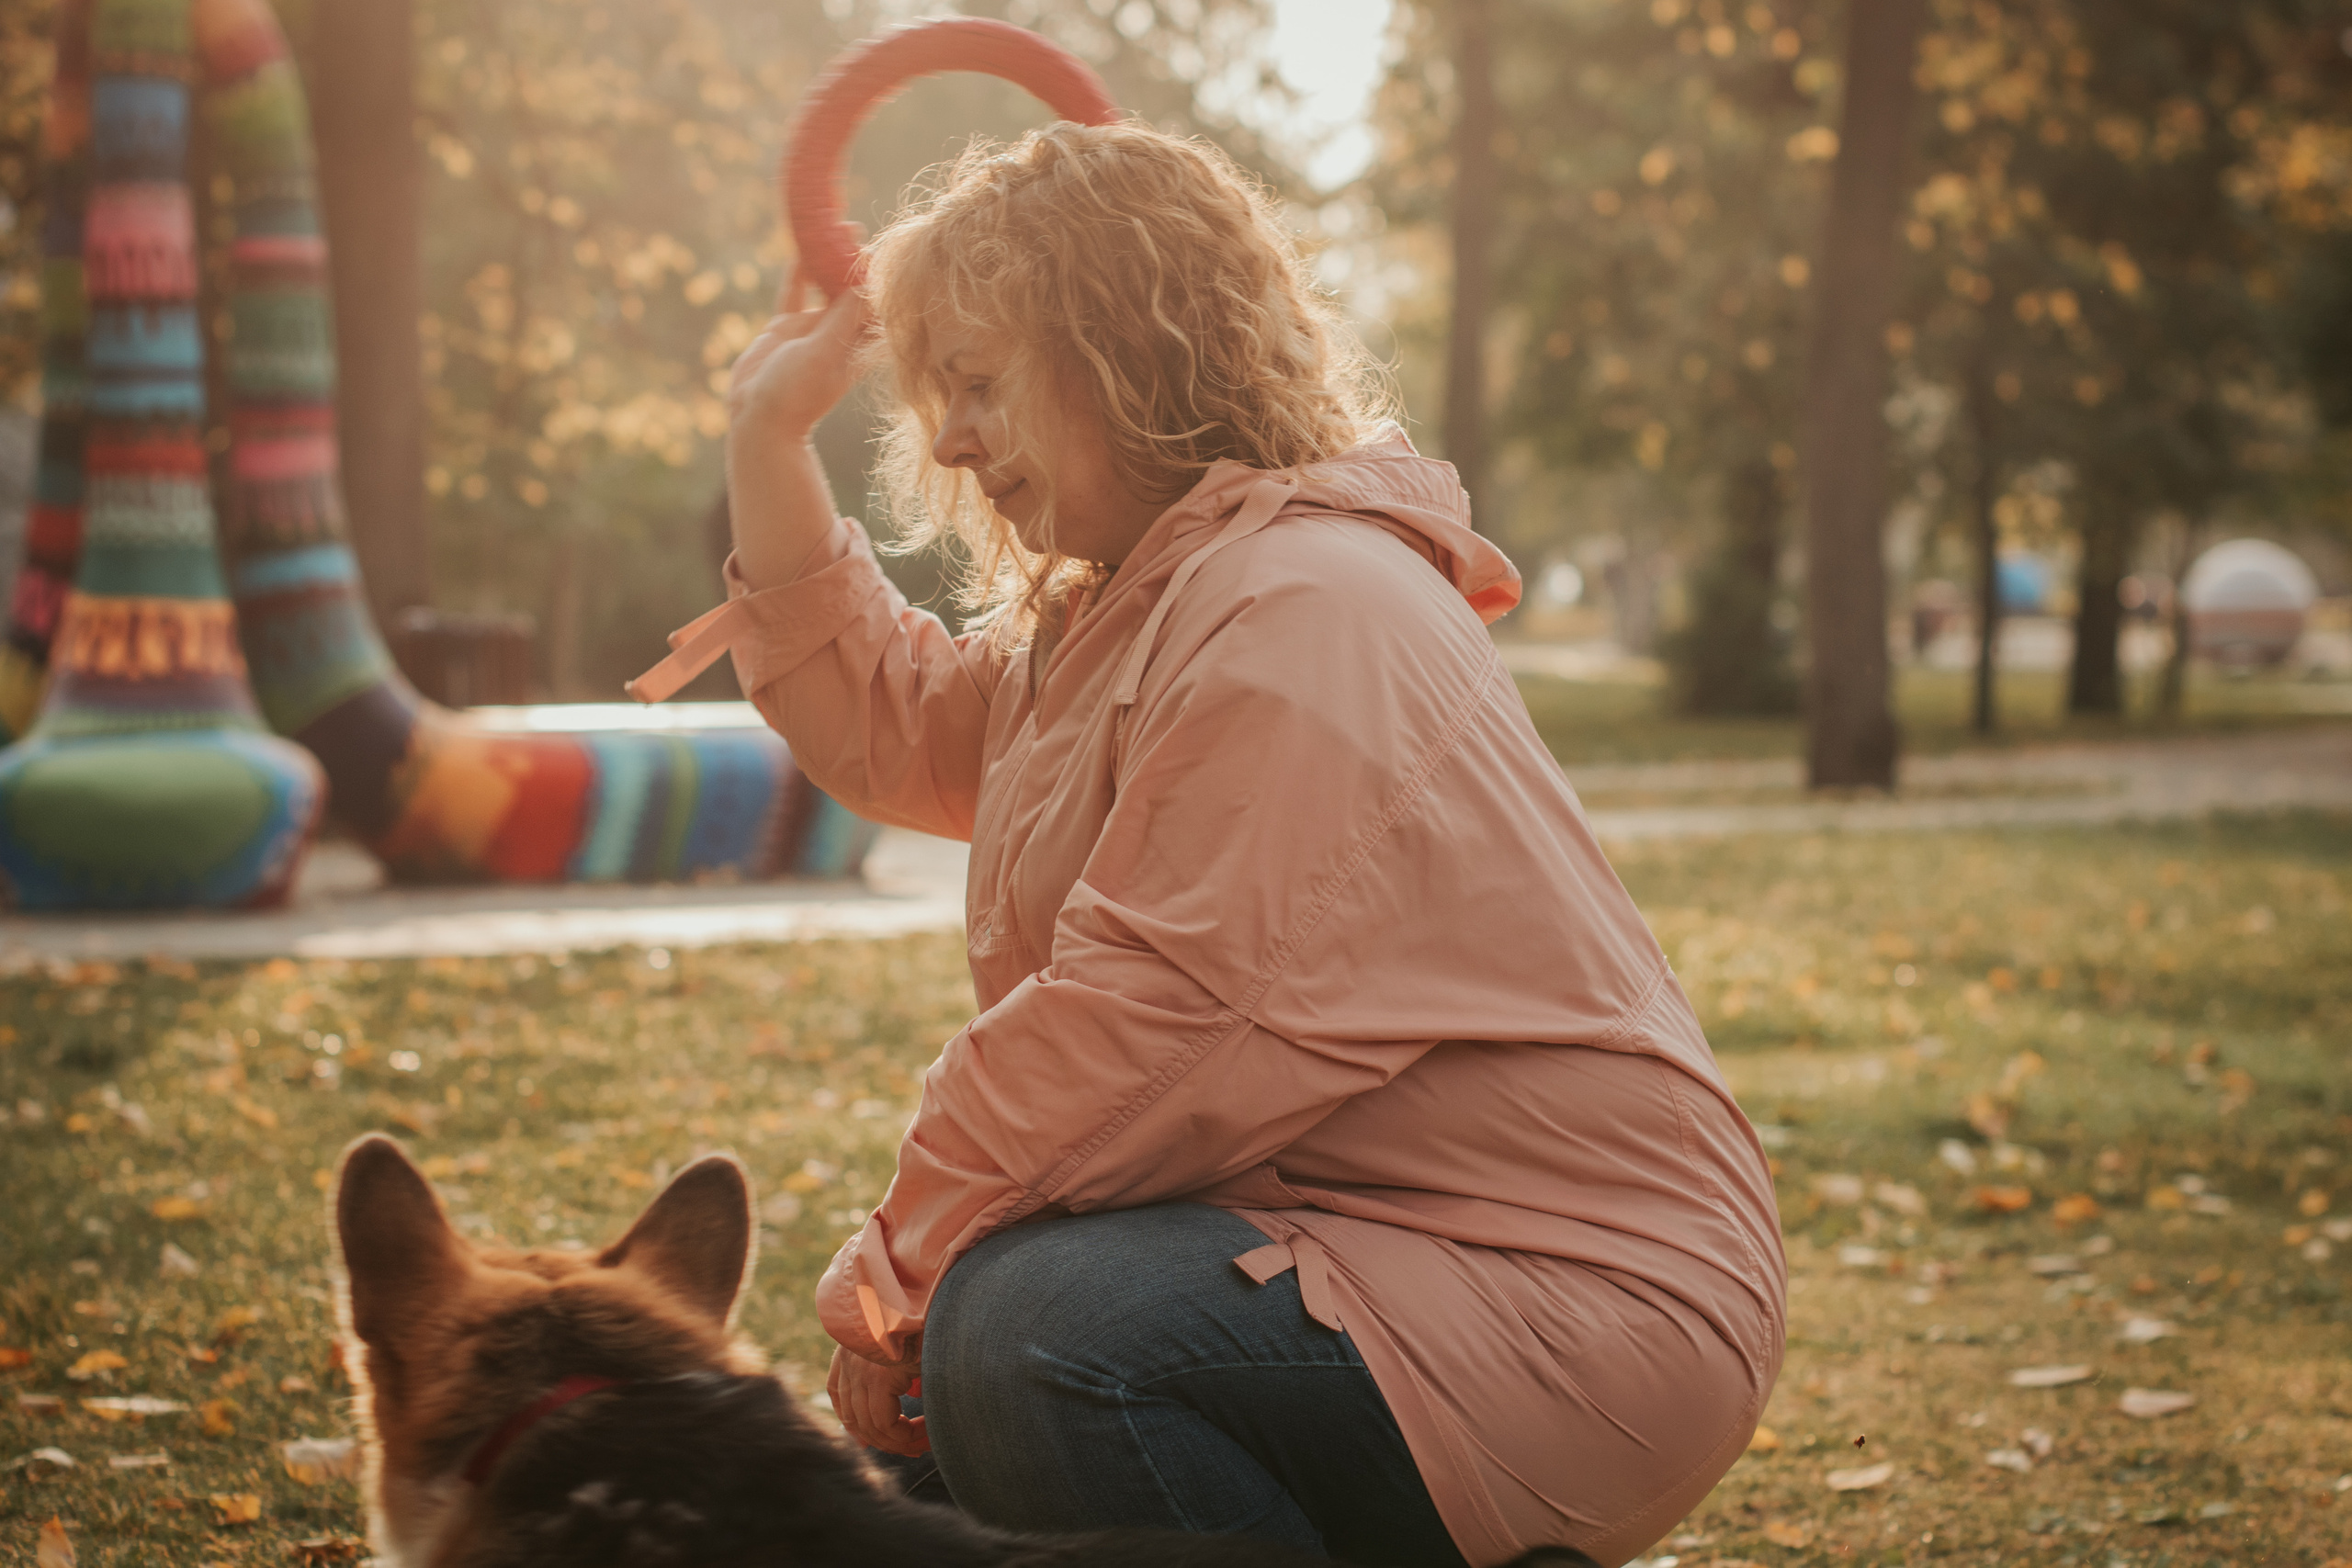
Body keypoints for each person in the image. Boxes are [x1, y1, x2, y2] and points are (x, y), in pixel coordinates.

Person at [650, 121, 1784, 1568]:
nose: (944, 440)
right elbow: (895, 722)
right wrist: (765, 438)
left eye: (982, 383)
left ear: (1124, 347)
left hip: (1572, 1298)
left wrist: (897, 1280)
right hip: (1368, 1253)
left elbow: (1152, 1024)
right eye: (937, 395)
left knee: (1028, 1342)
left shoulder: (1300, 609)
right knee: (965, 1434)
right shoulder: (1138, 608)